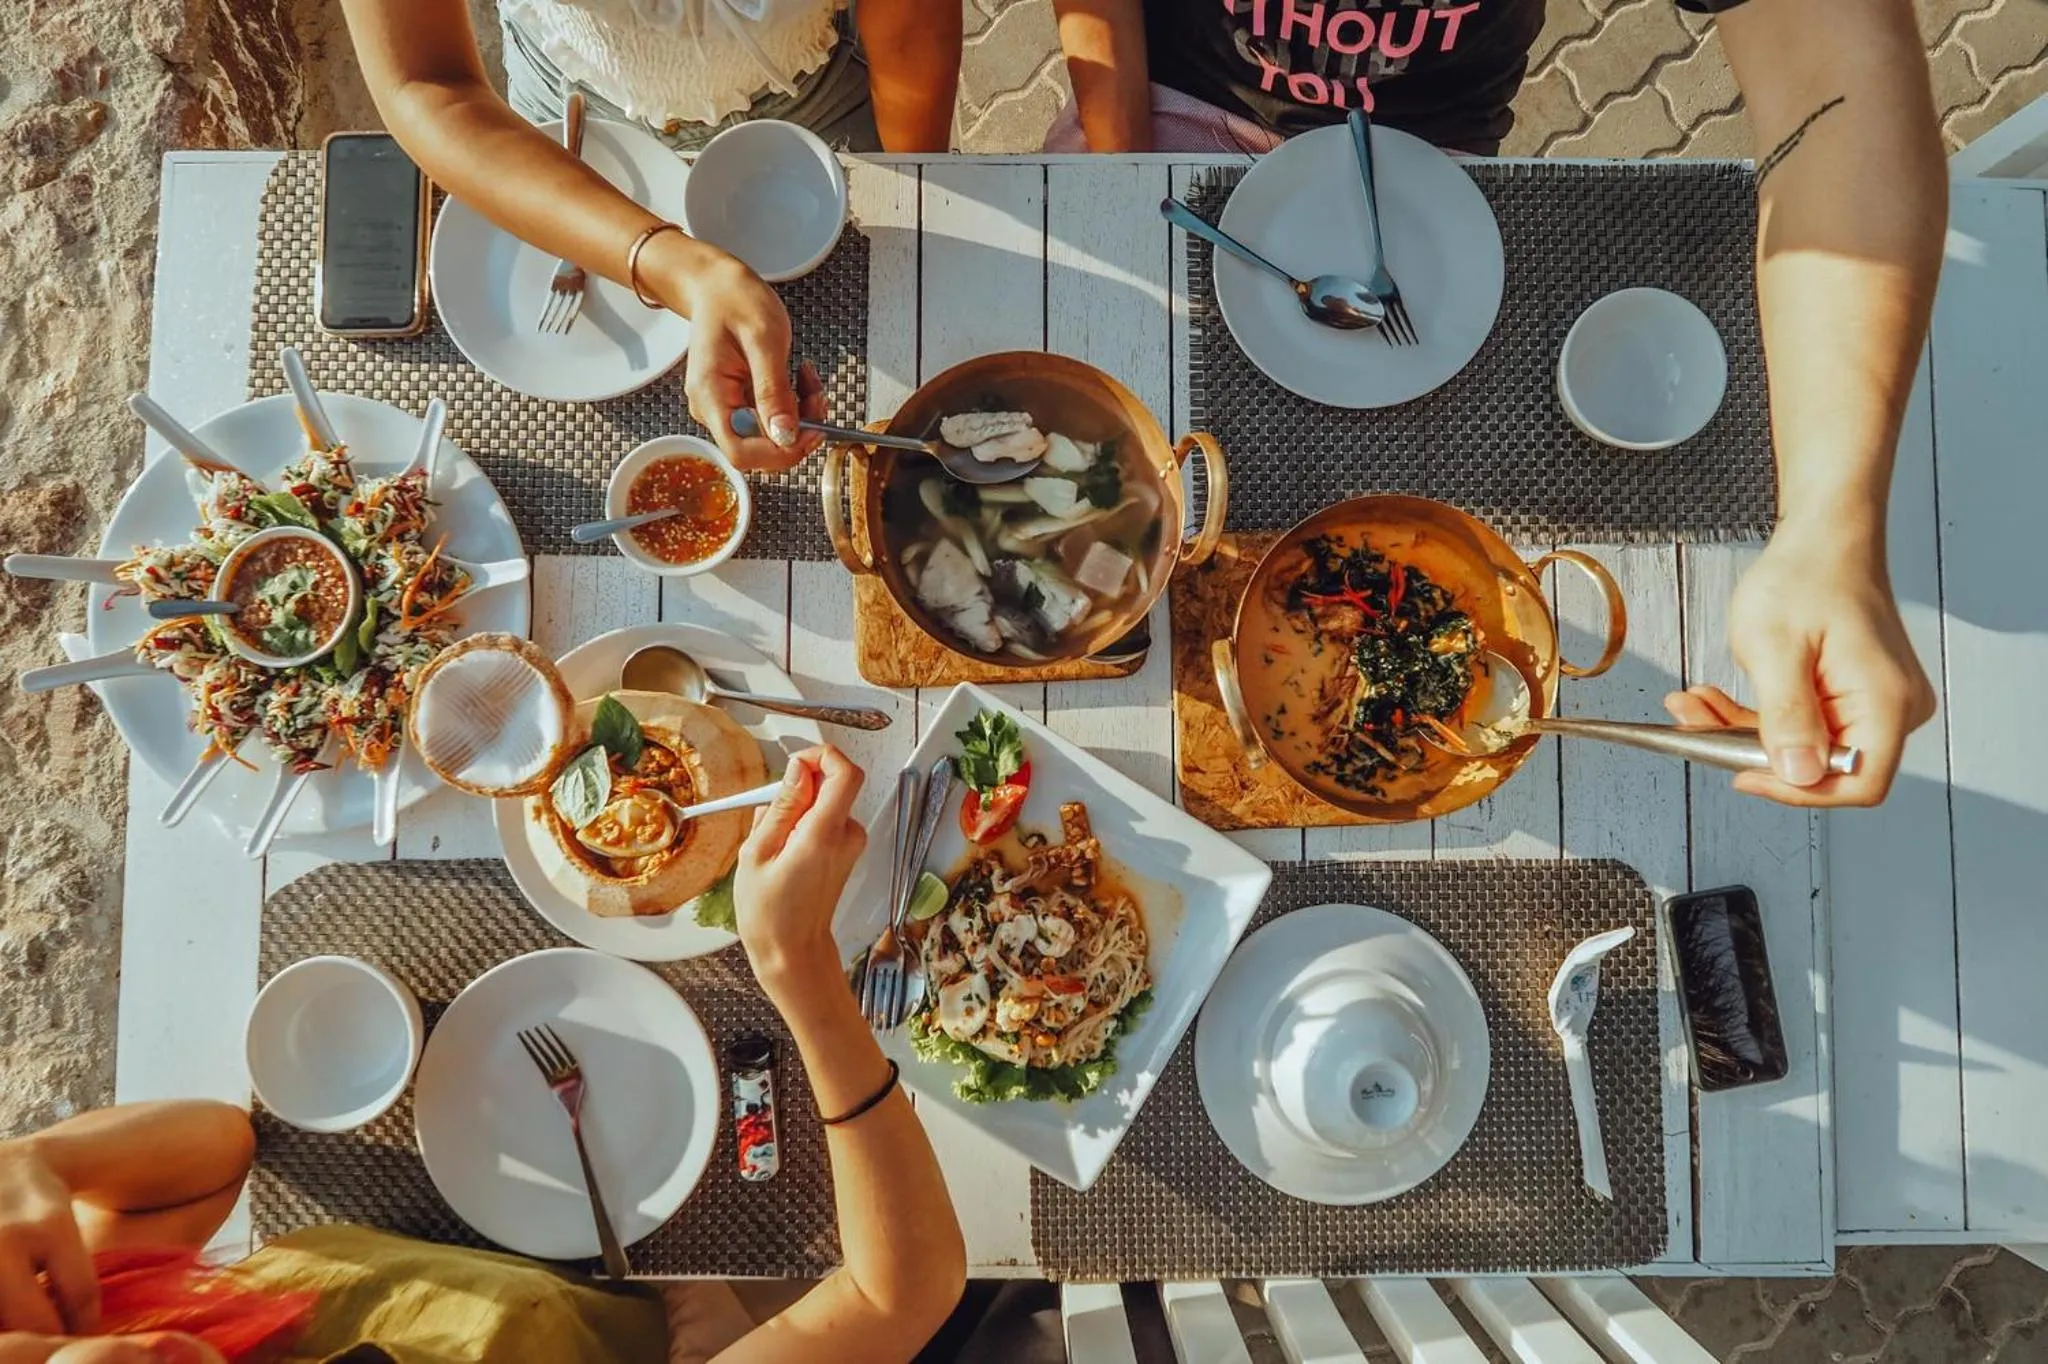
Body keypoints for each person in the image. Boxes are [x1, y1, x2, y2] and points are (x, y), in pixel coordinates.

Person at [1050, 0, 1943, 808]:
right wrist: (1124, 165)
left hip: (1433, 156)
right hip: (1163, 97)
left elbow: (1837, 79)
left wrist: (1831, 533)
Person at [0, 746, 968, 1364]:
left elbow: (210, 1152)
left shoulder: (93, 1326)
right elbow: (900, 1292)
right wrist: (798, 970)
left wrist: (38, 1159)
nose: (91, 1363)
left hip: (635, 1277)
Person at [338, 0, 963, 473]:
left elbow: (909, 19)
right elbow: (426, 83)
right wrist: (677, 269)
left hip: (819, 84)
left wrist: (923, 192)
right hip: (576, 95)